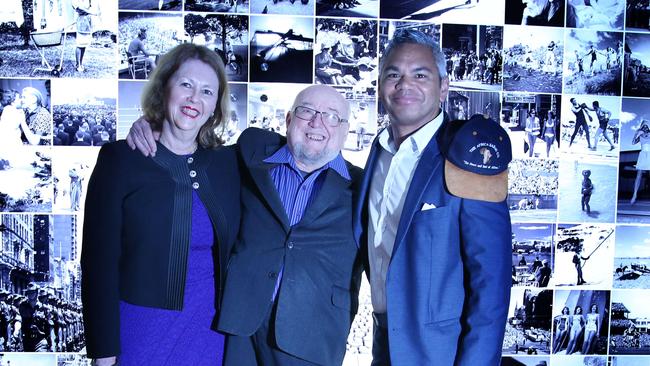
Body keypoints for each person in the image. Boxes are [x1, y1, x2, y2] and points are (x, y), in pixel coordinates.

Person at [126, 84, 364, 366]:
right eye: (307, 111)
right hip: (241, 325)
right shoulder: (252, 151)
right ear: (288, 120)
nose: (317, 122)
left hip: (312, 332)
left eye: (332, 116)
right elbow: (196, 153)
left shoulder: (363, 186)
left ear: (345, 130)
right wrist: (156, 126)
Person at [354, 29, 512, 365]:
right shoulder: (378, 151)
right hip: (384, 343)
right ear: (380, 85)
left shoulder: (467, 154)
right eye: (393, 74)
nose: (404, 84)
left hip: (440, 353)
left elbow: (491, 285)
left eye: (420, 75)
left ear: (443, 87)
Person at [81, 44, 240, 366]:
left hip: (212, 335)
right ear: (164, 88)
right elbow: (98, 265)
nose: (195, 98)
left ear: (215, 107)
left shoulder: (231, 163)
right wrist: (104, 353)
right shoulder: (120, 160)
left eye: (207, 91)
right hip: (140, 332)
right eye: (186, 85)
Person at [71, 0, 97, 73]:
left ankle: (81, 63)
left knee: (84, 44)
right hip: (81, 21)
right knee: (79, 44)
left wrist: (90, 12)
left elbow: (91, 7)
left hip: (87, 22)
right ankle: (78, 64)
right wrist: (90, 12)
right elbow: (79, 8)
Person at [630, 120, 650, 204]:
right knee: (639, 174)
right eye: (643, 126)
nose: (645, 127)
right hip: (642, 155)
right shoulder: (640, 134)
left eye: (646, 126)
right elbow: (633, 143)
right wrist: (636, 133)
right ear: (641, 127)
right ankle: (635, 194)